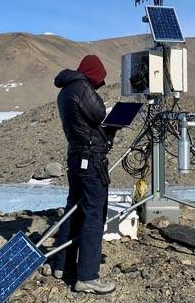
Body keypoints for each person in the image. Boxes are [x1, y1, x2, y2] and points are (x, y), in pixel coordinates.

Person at [52, 54, 118, 294]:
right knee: (93, 214)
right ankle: (88, 277)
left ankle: (63, 265)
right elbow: (99, 114)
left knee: (74, 209)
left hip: (76, 155)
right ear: (94, 72)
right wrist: (115, 121)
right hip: (91, 158)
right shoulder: (82, 88)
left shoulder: (65, 91)